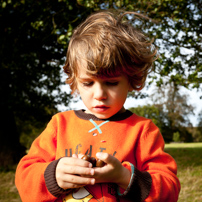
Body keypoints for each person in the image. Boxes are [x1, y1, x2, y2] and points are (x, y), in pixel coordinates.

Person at [15, 11, 180, 202]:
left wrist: (124, 177)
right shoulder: (59, 125)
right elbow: (24, 176)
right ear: (75, 81)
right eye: (87, 83)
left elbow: (169, 188)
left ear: (132, 81)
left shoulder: (143, 131)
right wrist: (54, 176)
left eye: (111, 83)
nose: (99, 94)